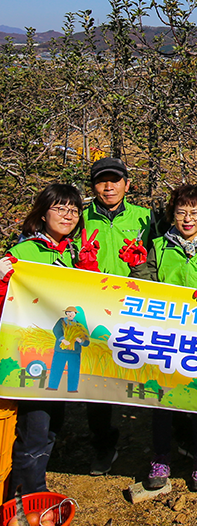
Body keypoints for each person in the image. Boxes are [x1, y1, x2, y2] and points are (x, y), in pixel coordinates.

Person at [131, 184, 197, 492]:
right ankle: (160, 457)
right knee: (161, 399)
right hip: (165, 338)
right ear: (172, 214)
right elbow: (141, 282)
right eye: (181, 212)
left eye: (195, 213)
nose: (187, 219)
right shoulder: (160, 246)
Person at [0, 184, 100, 494]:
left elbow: (88, 299)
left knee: (51, 425)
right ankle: (25, 497)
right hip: (31, 355)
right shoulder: (24, 252)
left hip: (63, 355)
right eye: (60, 208)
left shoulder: (70, 251)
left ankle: (33, 488)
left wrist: (87, 266)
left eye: (73, 210)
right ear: (43, 213)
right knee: (35, 427)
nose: (68, 215)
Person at [83, 156, 155, 475]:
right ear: (94, 187)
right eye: (101, 181)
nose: (108, 186)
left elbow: (163, 258)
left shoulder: (146, 218)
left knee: (154, 375)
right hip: (94, 310)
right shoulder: (80, 218)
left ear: (128, 184)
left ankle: (165, 444)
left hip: (137, 312)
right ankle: (103, 445)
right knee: (95, 383)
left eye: (115, 180)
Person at [47, 306, 90, 392]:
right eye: (68, 312)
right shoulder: (61, 321)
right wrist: (63, 339)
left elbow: (86, 340)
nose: (70, 314)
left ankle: (72, 389)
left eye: (72, 313)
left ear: (75, 314)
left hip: (74, 352)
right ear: (66, 313)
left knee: (74, 371)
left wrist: (81, 341)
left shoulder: (79, 325)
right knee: (56, 368)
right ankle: (52, 386)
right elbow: (56, 330)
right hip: (61, 350)